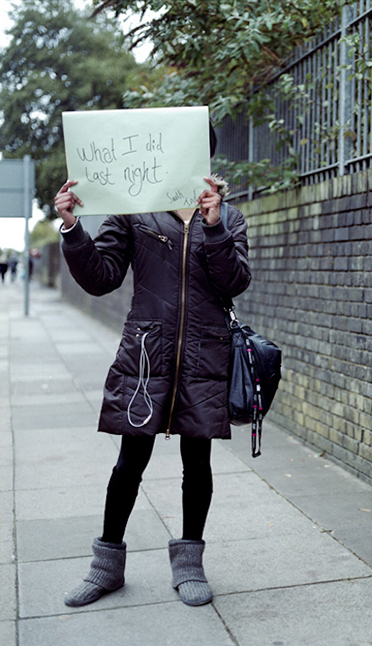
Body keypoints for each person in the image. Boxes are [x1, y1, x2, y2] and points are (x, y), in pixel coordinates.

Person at [54, 126, 251, 608]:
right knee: (130, 461)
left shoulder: (227, 217)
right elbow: (101, 278)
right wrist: (72, 229)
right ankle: (106, 566)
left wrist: (213, 226)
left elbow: (236, 280)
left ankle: (189, 565)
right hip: (148, 353)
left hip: (205, 354)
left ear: (202, 154)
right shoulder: (135, 212)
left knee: (197, 463)